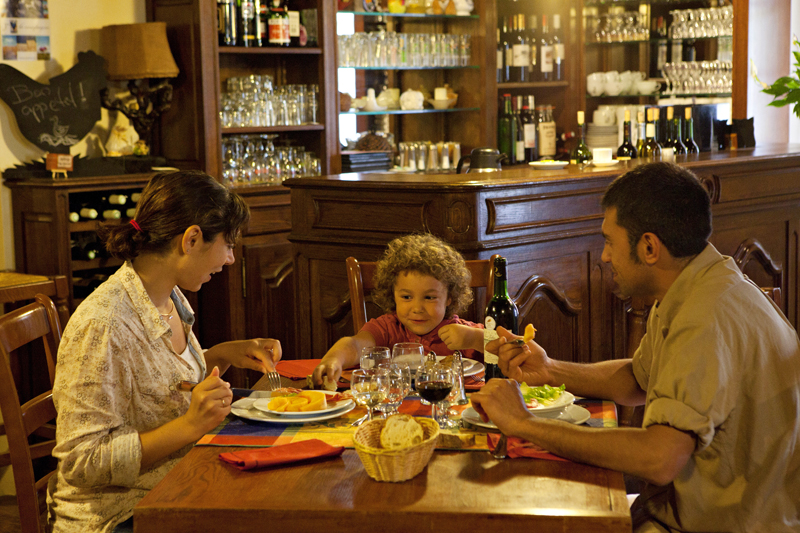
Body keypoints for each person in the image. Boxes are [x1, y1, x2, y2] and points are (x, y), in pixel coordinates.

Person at [471, 162, 800, 533]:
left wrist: (523, 423)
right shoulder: (695, 285)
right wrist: (549, 369)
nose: (604, 256)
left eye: (610, 241)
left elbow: (659, 458)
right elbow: (636, 380)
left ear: (648, 247)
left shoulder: (705, 317)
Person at [47, 171, 283, 533]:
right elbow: (83, 461)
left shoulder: (167, 296)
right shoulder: (104, 324)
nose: (232, 258)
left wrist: (221, 355)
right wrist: (189, 427)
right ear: (191, 239)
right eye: (229, 244)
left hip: (177, 481)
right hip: (119, 513)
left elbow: (158, 388)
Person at [312, 233, 484, 386]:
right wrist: (334, 359)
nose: (417, 308)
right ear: (392, 295)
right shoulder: (387, 327)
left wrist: (475, 338)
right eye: (406, 297)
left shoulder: (463, 333)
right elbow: (355, 345)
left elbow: (505, 349)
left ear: (449, 298)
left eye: (429, 297)